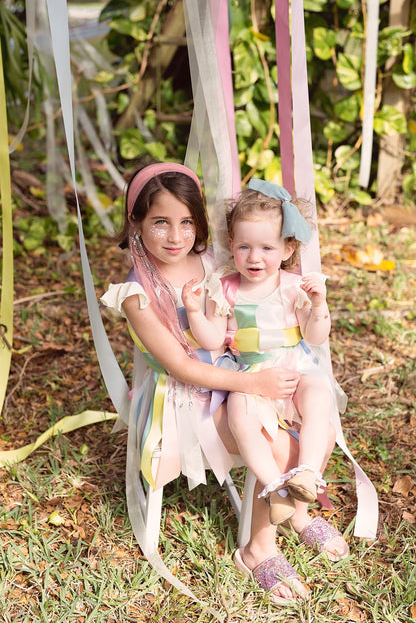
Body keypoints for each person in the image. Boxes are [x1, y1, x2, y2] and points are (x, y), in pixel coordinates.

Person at [100, 162, 347, 606]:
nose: (176, 236)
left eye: (186, 222)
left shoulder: (210, 260)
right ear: (135, 223)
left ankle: (301, 512)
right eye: (160, 222)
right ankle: (258, 550)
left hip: (240, 370)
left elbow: (257, 291)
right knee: (280, 446)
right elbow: (184, 367)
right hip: (185, 395)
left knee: (317, 418)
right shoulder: (137, 293)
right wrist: (256, 384)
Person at [182, 178, 349, 534]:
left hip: (294, 368)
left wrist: (319, 306)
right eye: (244, 247)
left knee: (319, 397)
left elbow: (315, 336)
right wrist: (195, 313)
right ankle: (274, 487)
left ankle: (306, 472)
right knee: (241, 414)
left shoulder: (293, 286)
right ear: (231, 245)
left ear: (288, 249)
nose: (254, 257)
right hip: (249, 370)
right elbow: (212, 341)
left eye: (266, 248)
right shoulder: (225, 287)